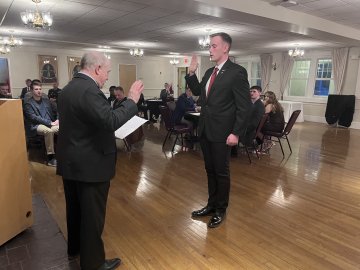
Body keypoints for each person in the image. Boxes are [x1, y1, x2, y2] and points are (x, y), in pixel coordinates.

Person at [56, 51, 143, 270]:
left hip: (71, 162)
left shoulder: (68, 89)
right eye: (107, 71)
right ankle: (93, 263)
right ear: (97, 69)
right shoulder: (89, 90)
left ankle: (74, 248)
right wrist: (131, 100)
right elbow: (111, 120)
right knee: (92, 217)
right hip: (90, 164)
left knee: (75, 210)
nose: (107, 77)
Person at [185, 32, 251, 228]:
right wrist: (191, 73)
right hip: (205, 129)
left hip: (223, 132)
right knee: (210, 169)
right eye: (209, 46)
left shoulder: (237, 72)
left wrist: (236, 132)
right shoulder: (208, 72)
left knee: (221, 172)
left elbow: (244, 106)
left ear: (226, 48)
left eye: (214, 46)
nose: (210, 49)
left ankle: (221, 209)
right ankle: (211, 205)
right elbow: (197, 92)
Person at [23, 81, 58, 166]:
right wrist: (50, 123)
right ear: (31, 91)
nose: (39, 91)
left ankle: (64, 152)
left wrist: (58, 120)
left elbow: (57, 111)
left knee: (63, 128)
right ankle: (50, 158)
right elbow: (34, 118)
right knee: (48, 131)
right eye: (36, 89)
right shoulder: (28, 103)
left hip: (50, 123)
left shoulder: (46, 101)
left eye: (40, 89)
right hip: (36, 125)